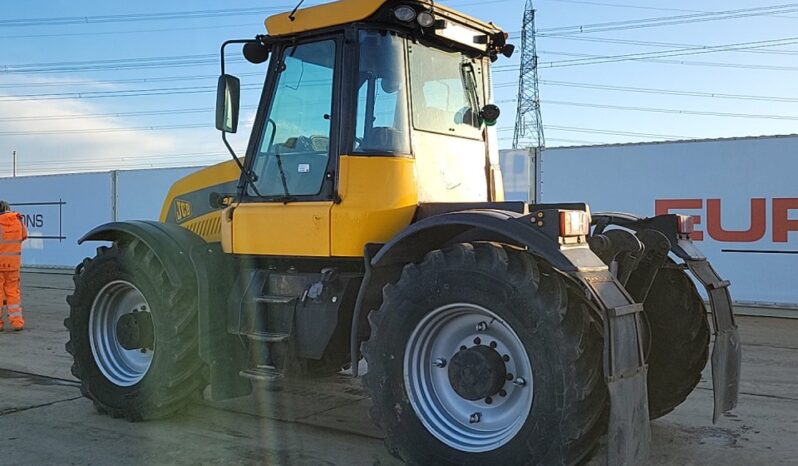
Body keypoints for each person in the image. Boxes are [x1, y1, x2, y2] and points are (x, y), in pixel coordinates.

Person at [0, 201, 27, 331]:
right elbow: (24, 236)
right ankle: (17, 322)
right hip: (13, 265)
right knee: (13, 293)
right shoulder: (18, 221)